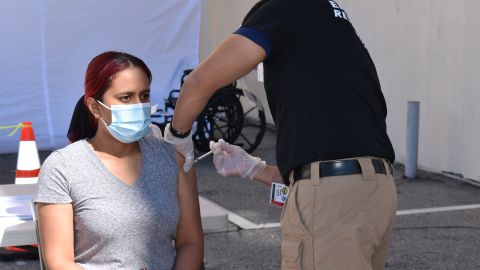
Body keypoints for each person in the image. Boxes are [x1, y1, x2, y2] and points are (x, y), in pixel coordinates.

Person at [164, 0, 397, 269]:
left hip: (336, 204)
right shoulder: (330, 21)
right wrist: (255, 168)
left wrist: (177, 137)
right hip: (375, 191)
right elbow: (327, 161)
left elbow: (198, 82)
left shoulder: (286, 7)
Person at [34, 51, 204, 270]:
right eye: (125, 97)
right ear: (95, 107)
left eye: (144, 96)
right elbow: (59, 262)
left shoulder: (173, 157)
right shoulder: (62, 168)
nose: (138, 106)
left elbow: (191, 243)